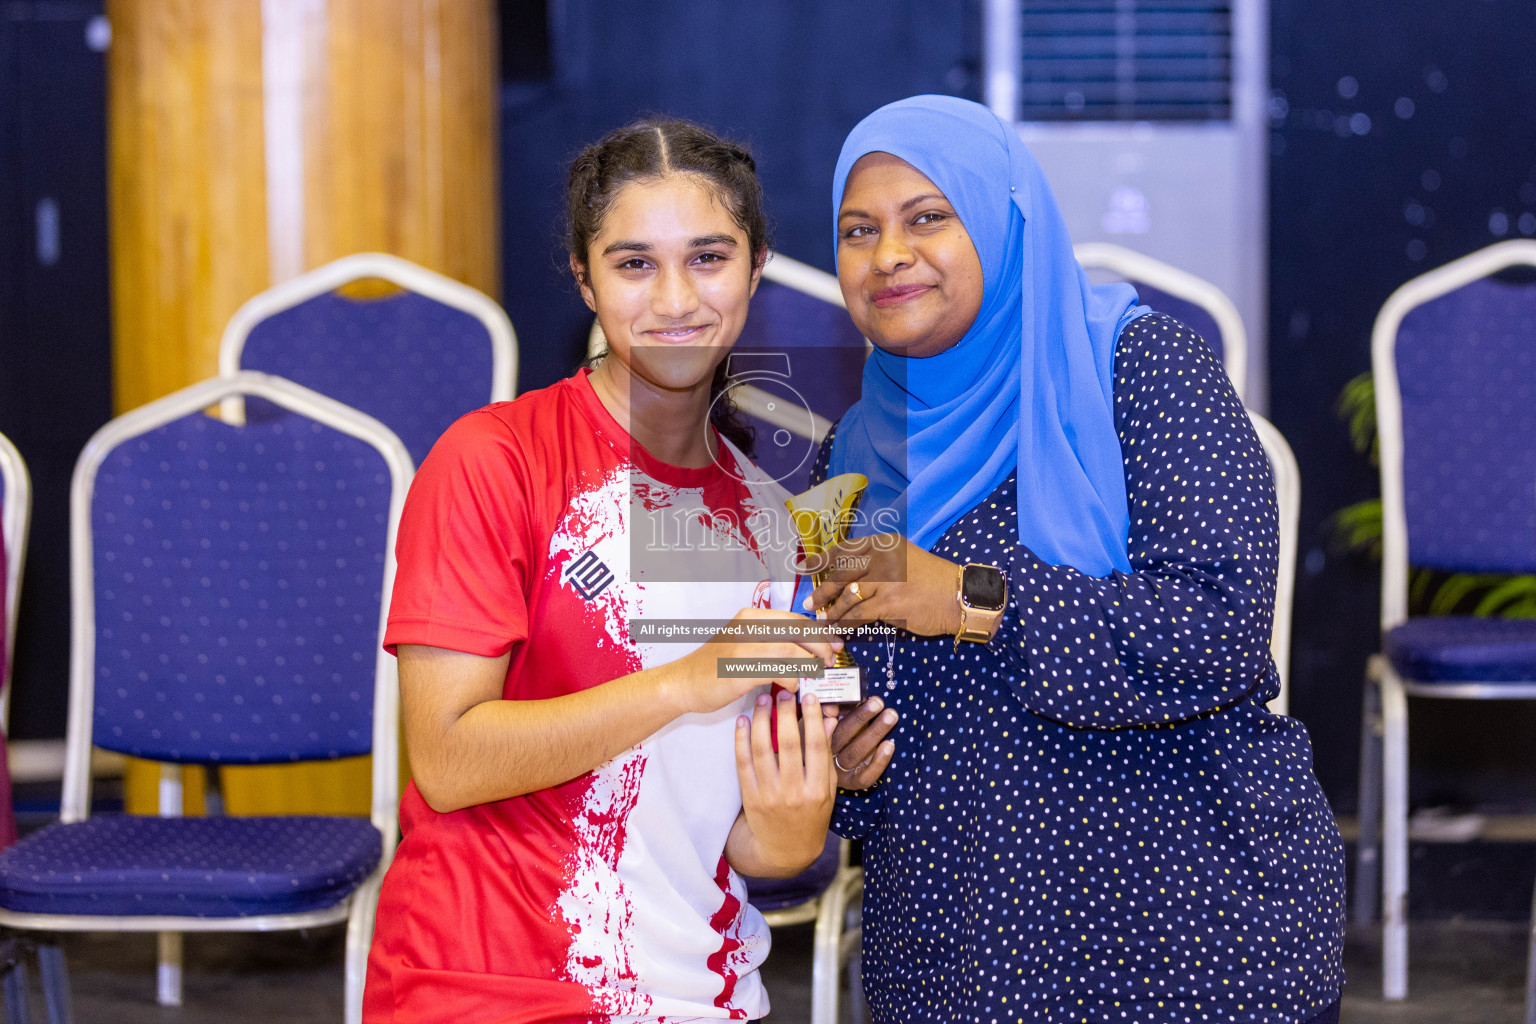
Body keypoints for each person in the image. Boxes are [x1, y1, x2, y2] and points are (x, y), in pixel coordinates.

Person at [813, 96, 1347, 1023]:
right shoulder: (849, 457)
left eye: (928, 216)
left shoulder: (1140, 372)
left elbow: (1217, 632)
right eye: (858, 230)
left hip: (1184, 922)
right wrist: (840, 767)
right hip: (957, 948)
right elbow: (856, 716)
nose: (888, 253)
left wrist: (971, 598)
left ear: (1004, 221)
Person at [364, 118, 844, 1023]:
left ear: (756, 267)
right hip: (488, 985)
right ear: (584, 279)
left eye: (708, 257)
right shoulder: (491, 460)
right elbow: (450, 760)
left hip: (704, 987)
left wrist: (794, 818)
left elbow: (735, 835)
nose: (674, 299)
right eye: (633, 264)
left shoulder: (776, 520)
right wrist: (690, 680)